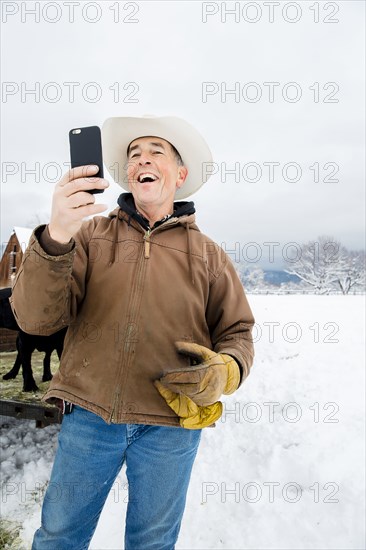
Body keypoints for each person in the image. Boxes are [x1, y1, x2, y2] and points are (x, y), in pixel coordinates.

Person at [10, 114, 255, 550]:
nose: (142, 159)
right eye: (134, 155)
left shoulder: (209, 255)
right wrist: (56, 235)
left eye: (155, 152)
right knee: (58, 538)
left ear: (179, 174)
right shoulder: (87, 238)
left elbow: (237, 330)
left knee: (153, 543)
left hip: (171, 423)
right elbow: (35, 320)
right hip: (89, 415)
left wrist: (226, 371)